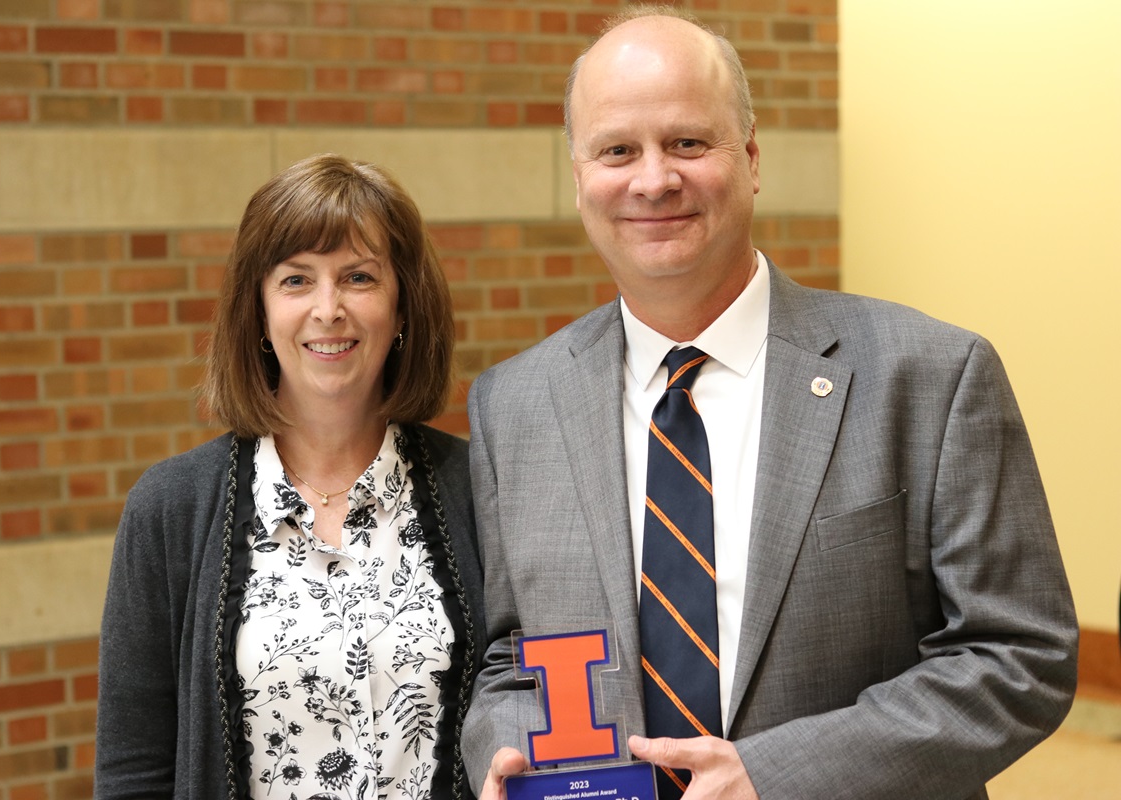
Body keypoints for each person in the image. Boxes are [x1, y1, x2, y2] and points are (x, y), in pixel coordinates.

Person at [463, 7, 1077, 800]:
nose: (654, 179)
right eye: (618, 150)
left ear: (750, 159)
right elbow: (515, 657)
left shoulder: (930, 376)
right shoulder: (515, 405)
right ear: (580, 177)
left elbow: (1019, 656)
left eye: (688, 142)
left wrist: (777, 776)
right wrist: (508, 756)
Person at [95, 154, 485, 800]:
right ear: (259, 311)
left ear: (404, 306)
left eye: (358, 278)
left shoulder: (476, 493)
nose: (327, 309)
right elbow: (134, 773)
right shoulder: (169, 511)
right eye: (297, 280)